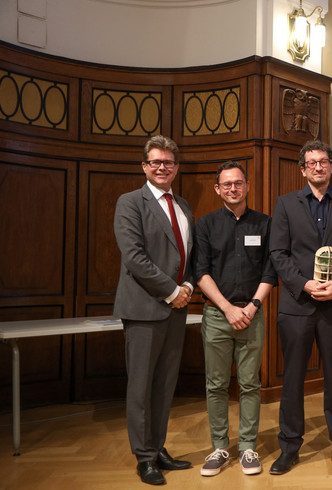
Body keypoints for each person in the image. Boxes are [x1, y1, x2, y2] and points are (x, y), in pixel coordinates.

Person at [268, 140, 332, 475]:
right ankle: (290, 446)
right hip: (298, 304)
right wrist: (304, 284)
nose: (319, 167)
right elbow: (278, 253)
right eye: (312, 163)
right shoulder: (285, 204)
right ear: (303, 169)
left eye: (324, 162)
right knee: (293, 377)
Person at [113, 135, 194, 485]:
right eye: (156, 162)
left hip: (177, 310)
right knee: (142, 387)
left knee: (164, 386)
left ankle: (158, 446)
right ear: (145, 166)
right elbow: (134, 258)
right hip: (145, 309)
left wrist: (188, 286)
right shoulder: (130, 202)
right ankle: (143, 457)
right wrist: (173, 291)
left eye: (169, 163)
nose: (162, 168)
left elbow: (189, 254)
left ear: (176, 167)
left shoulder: (184, 206)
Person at [193, 161, 277, 477]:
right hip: (217, 315)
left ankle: (247, 448)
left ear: (247, 186)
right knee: (215, 384)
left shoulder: (265, 224)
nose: (233, 188)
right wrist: (228, 308)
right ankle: (219, 447)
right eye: (226, 184)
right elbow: (200, 272)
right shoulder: (205, 225)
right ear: (218, 189)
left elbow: (270, 270)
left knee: (250, 384)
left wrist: (253, 306)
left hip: (253, 314)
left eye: (238, 183)